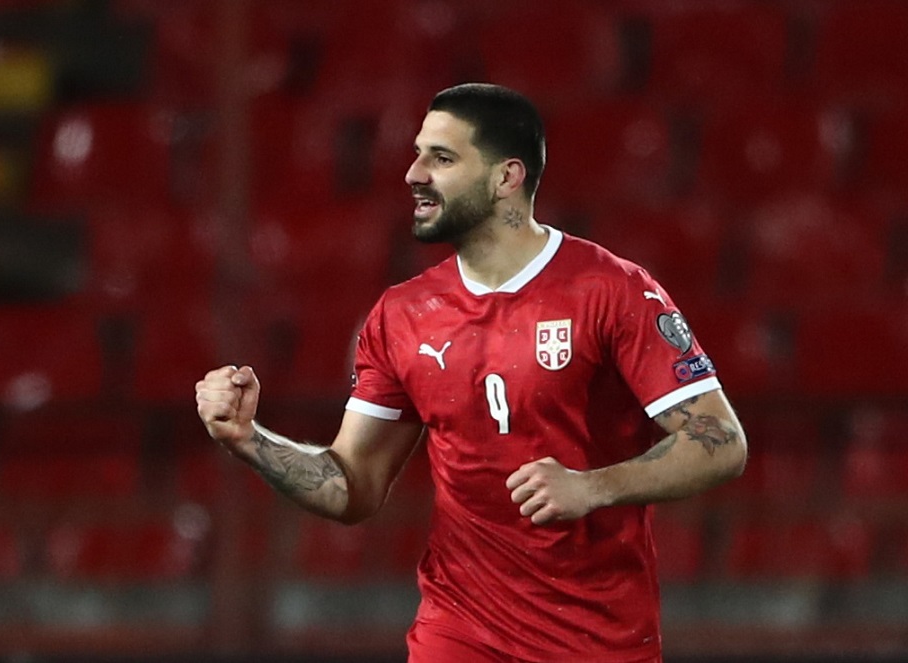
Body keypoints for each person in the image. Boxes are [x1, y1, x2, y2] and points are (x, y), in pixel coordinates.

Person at [196, 83, 747, 663]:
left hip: (596, 639)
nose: (413, 173)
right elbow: (353, 486)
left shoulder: (613, 291)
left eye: (441, 157)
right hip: (458, 630)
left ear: (507, 177)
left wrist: (592, 486)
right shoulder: (402, 315)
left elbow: (719, 442)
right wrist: (250, 441)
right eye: (416, 153)